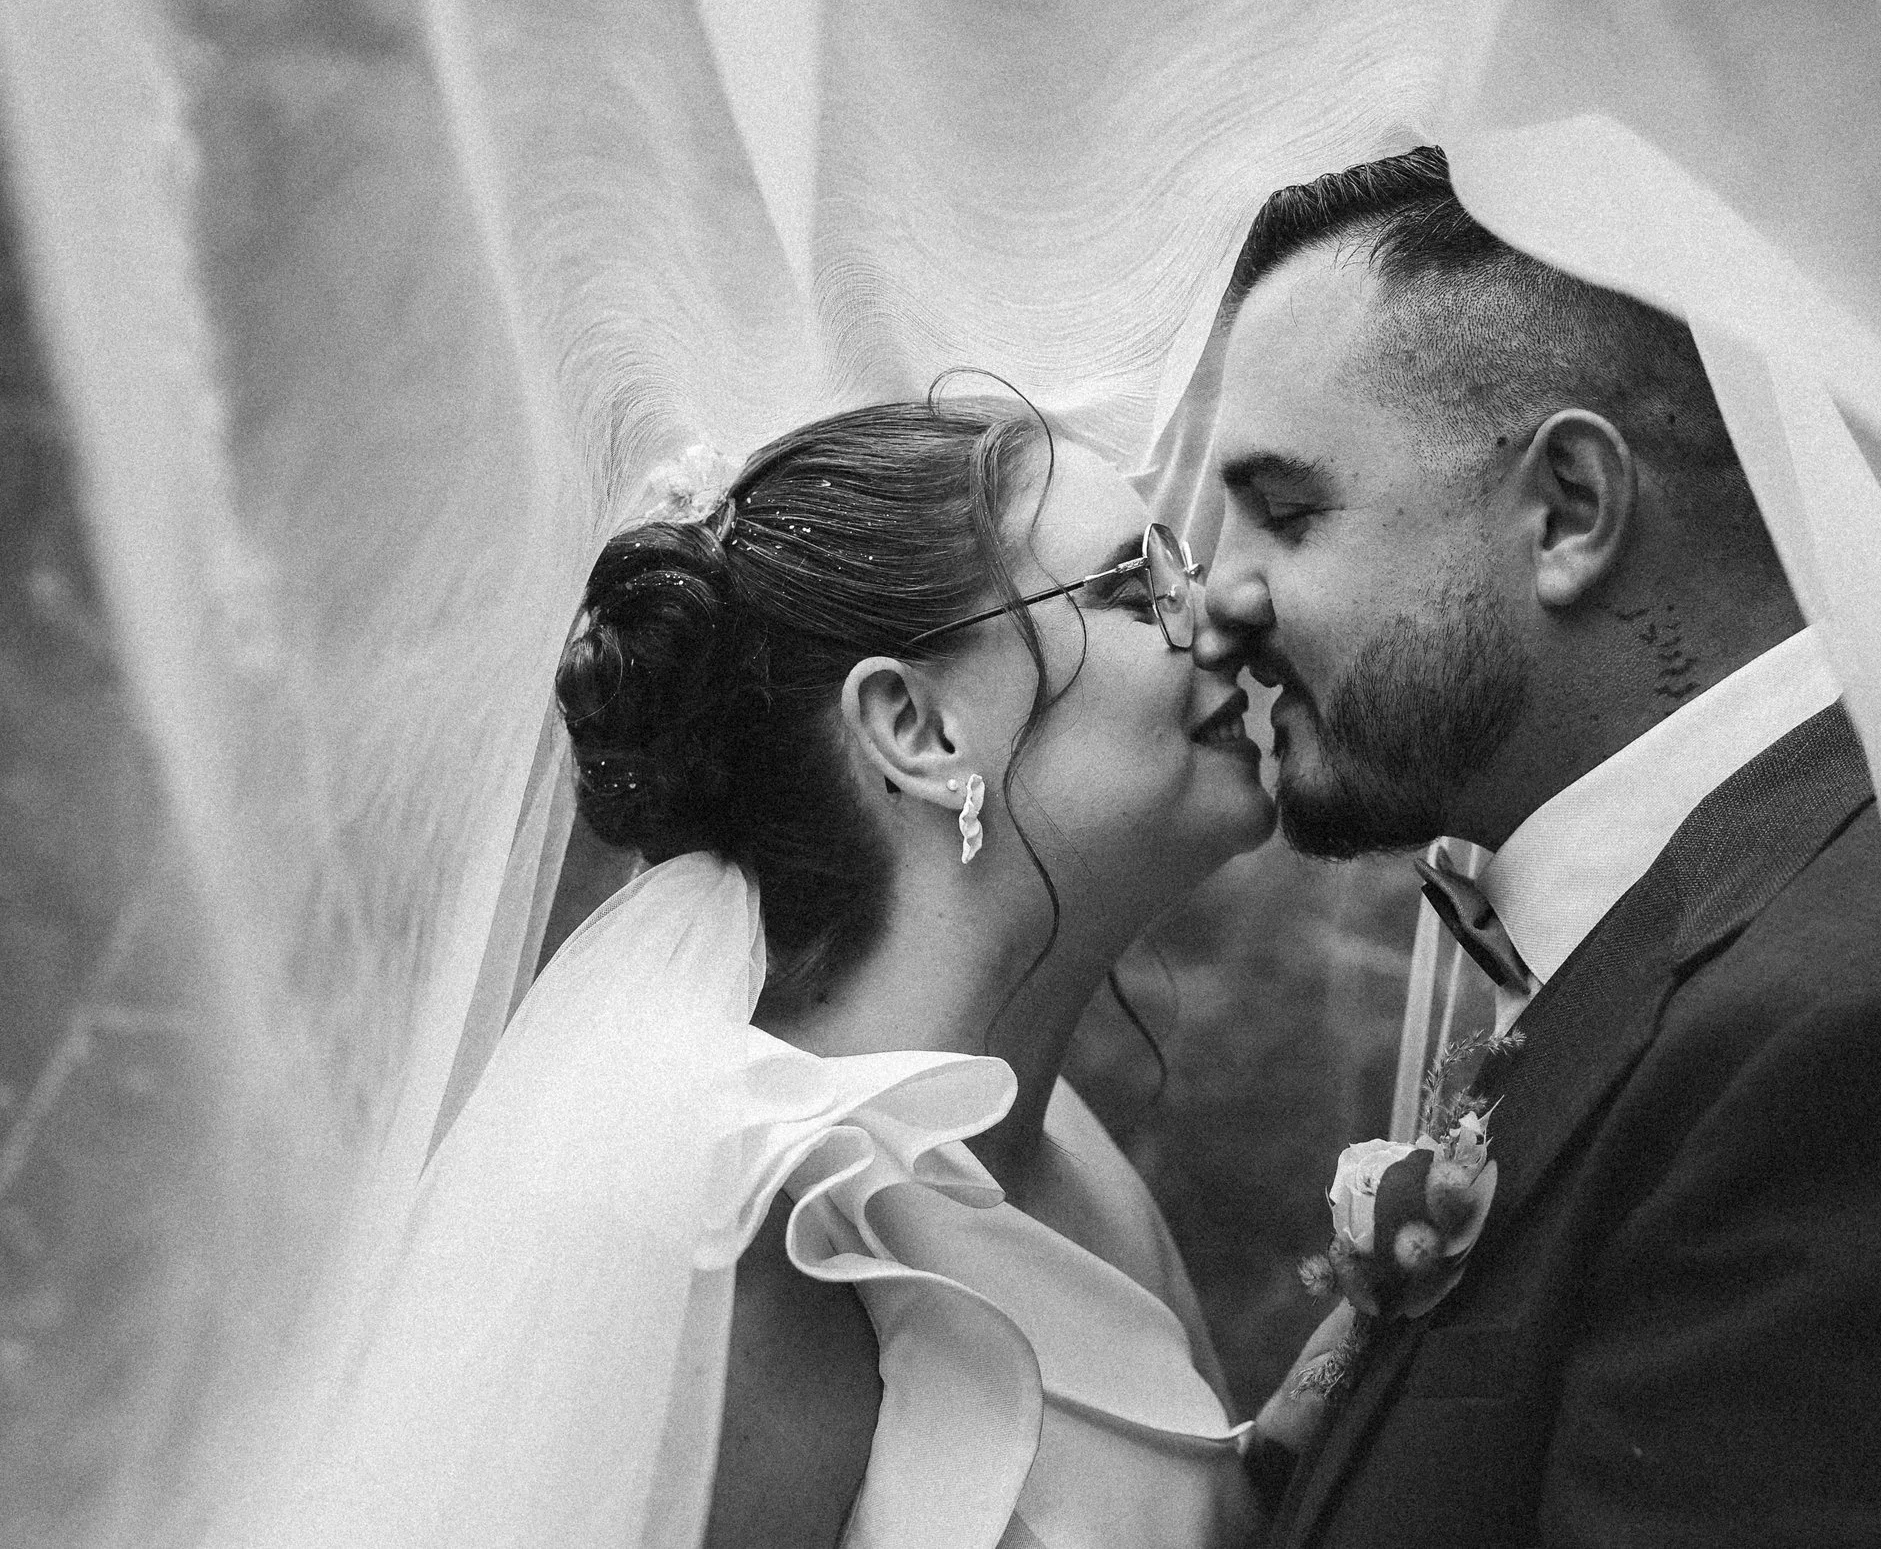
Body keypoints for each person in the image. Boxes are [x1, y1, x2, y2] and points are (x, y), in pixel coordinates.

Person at [1197, 149, 1881, 1548]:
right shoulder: (1722, 924)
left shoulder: (1848, 1034)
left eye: (1287, 513)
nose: (1218, 601)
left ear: (1572, 508)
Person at [255, 397, 1274, 1549]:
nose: (1227, 613)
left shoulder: (1063, 1144)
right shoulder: (757, 1239)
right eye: (1135, 592)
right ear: (916, 726)